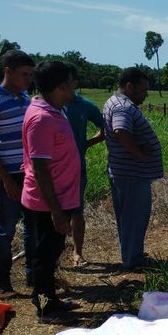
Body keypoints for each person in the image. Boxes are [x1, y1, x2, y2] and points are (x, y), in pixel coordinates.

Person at [20, 61, 80, 320]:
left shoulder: (53, 109)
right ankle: (44, 307)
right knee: (45, 255)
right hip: (47, 203)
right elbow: (41, 169)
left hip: (59, 198)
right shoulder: (42, 119)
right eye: (71, 84)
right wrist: (56, 211)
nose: (75, 88)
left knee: (51, 252)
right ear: (60, 87)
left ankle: (51, 299)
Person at [103, 68, 163, 269]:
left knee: (128, 217)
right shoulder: (122, 107)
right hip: (131, 173)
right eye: (143, 90)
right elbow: (120, 131)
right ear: (129, 86)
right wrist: (140, 154)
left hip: (124, 171)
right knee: (134, 217)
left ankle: (132, 254)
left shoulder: (114, 102)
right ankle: (133, 260)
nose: (145, 94)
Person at [0, 50, 36, 296]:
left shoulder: (25, 98)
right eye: (24, 74)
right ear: (7, 71)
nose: (29, 79)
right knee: (5, 229)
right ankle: (1, 281)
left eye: (31, 75)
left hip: (29, 174)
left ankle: (34, 277)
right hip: (8, 175)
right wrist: (7, 179)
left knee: (33, 226)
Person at [65, 64, 105, 267]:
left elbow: (103, 128)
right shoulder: (47, 105)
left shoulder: (84, 105)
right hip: (50, 169)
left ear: (75, 83)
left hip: (76, 168)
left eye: (68, 81)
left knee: (76, 211)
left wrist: (84, 144)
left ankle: (77, 253)